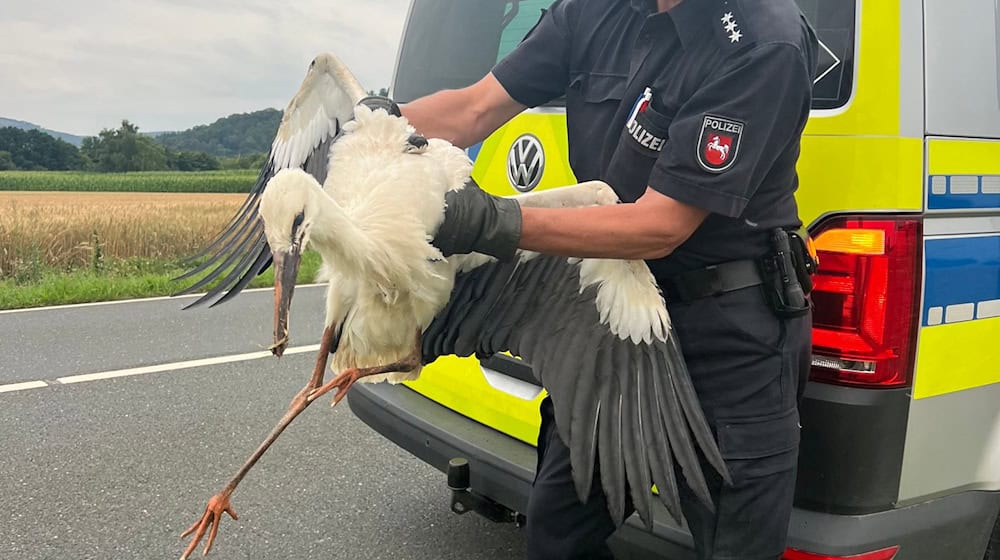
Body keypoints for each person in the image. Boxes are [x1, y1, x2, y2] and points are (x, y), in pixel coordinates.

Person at [371, 0, 819, 558]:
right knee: (559, 533)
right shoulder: (594, 10)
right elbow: (473, 109)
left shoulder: (760, 39)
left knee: (732, 546)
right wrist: (366, 128)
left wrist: (492, 222)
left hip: (727, 334)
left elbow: (661, 226)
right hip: (612, 315)